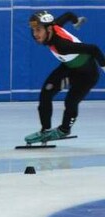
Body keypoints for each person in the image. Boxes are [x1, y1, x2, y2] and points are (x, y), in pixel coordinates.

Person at [24, 11, 104, 144]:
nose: (35, 34)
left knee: (70, 102)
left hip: (87, 75)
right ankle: (45, 130)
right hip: (69, 68)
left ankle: (64, 129)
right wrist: (76, 21)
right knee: (46, 93)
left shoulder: (62, 45)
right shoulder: (53, 26)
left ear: (49, 29)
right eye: (33, 30)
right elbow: (67, 15)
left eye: (38, 30)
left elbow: (94, 49)